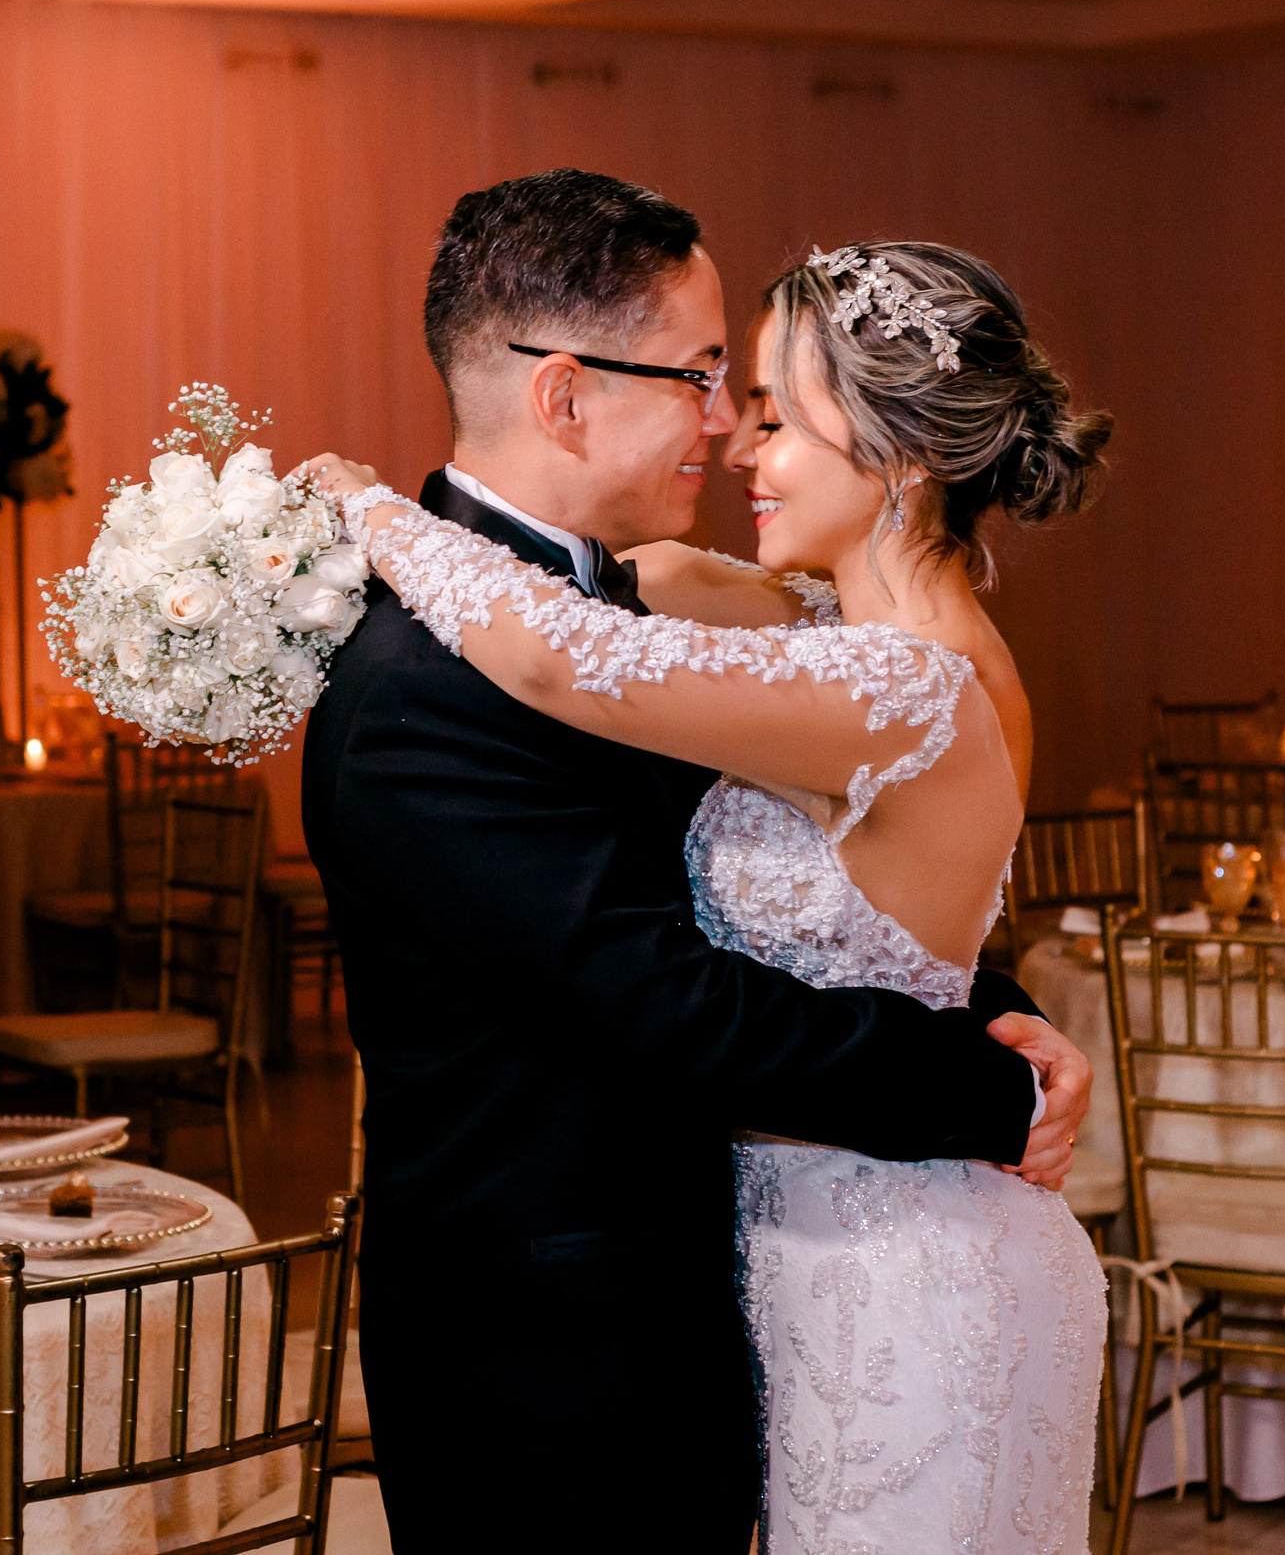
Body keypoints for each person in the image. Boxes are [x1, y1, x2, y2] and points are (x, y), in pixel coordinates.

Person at [297, 168, 1093, 1553]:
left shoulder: (844, 667)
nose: (730, 431)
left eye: (765, 406)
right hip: (551, 1352)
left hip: (826, 1282)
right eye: (711, 380)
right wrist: (983, 1077)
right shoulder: (435, 685)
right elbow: (669, 997)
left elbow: (591, 668)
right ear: (564, 392)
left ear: (895, 449)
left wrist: (375, 511)